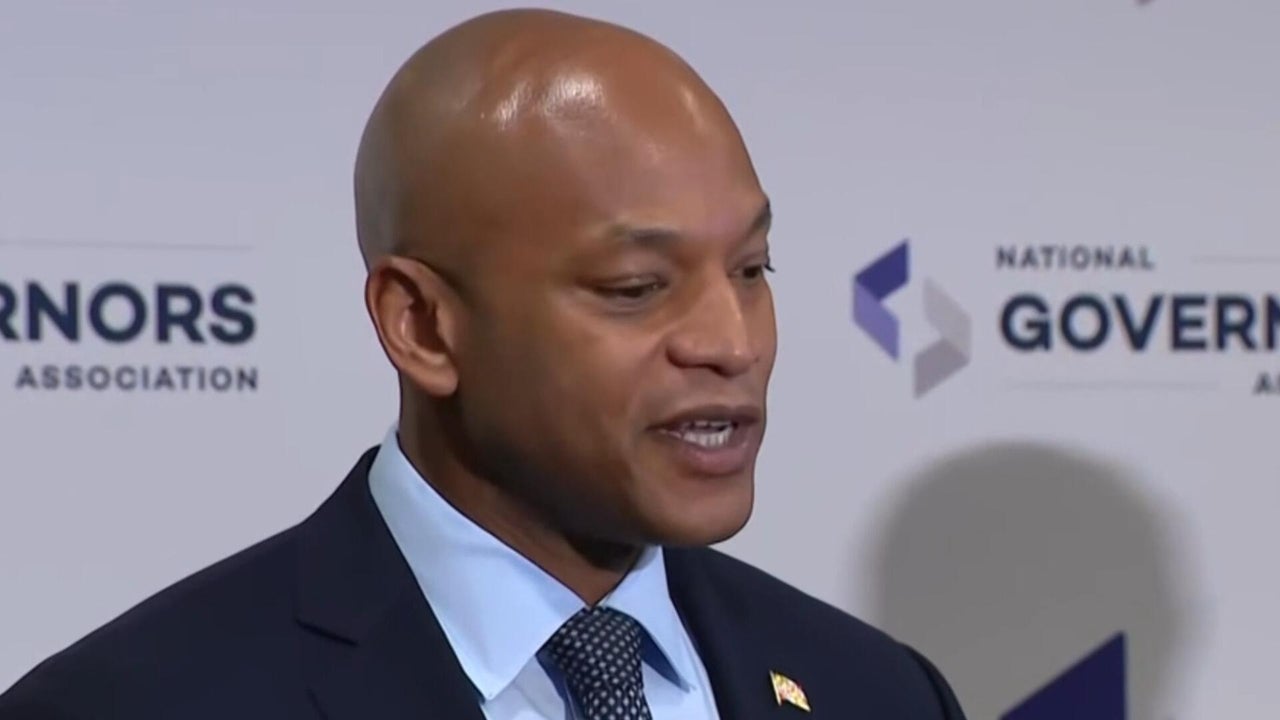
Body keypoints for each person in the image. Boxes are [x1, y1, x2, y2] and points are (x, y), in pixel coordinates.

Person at [0, 8, 966, 719]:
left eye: (752, 269)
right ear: (422, 326)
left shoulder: (878, 693)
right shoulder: (130, 704)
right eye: (636, 287)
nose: (733, 342)